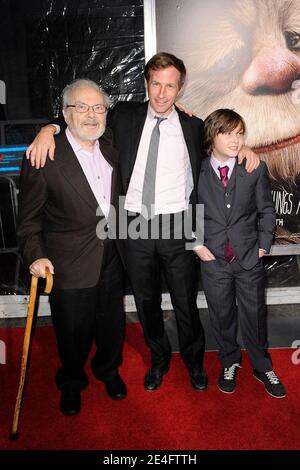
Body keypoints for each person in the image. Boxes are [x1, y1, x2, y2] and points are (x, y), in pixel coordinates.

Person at [26, 52, 259, 392]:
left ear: (180, 88)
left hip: (179, 222)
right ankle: (159, 359)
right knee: (146, 302)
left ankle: (194, 362)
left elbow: (224, 143)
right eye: (156, 84)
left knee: (185, 302)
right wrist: (47, 129)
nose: (162, 94)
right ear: (146, 83)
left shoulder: (194, 125)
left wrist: (245, 151)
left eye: (170, 86)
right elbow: (81, 118)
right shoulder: (123, 115)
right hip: (131, 223)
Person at [17, 79, 126, 416]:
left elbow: (151, 111)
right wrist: (36, 255)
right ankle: (71, 381)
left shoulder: (109, 143)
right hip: (69, 262)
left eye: (98, 107)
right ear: (65, 113)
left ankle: (107, 370)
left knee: (112, 325)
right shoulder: (44, 156)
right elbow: (29, 220)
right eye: (81, 107)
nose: (91, 115)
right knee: (72, 333)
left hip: (112, 257)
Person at [194, 108, 286, 398]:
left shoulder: (253, 168)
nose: (236, 140)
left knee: (255, 314)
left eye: (240, 133)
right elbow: (187, 209)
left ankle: (261, 364)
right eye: (228, 133)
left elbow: (266, 209)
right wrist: (196, 244)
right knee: (221, 315)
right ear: (212, 135)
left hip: (249, 257)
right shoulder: (195, 170)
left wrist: (263, 244)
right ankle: (229, 361)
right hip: (213, 260)